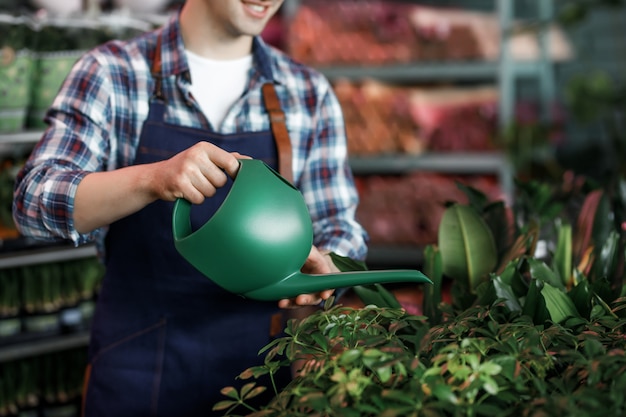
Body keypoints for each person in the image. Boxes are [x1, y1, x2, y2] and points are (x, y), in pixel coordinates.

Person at [12, 0, 368, 416]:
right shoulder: (113, 73)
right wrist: (151, 179)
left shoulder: (306, 93)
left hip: (266, 380)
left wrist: (328, 265)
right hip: (136, 374)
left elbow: (341, 227)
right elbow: (32, 202)